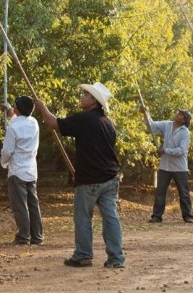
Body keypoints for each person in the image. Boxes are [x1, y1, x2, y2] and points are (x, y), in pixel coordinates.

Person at [34, 82, 125, 269]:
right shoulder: (108, 123)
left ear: (93, 101)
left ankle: (83, 255)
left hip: (90, 179)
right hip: (110, 178)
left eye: (85, 94)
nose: (82, 97)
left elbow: (53, 123)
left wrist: (41, 106)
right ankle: (116, 258)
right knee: (111, 218)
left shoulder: (84, 119)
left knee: (83, 217)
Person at [0, 96, 44, 245]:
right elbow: (20, 121)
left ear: (18, 109)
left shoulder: (13, 128)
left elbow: (7, 151)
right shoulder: (34, 123)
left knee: (20, 205)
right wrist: (10, 112)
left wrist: (3, 163)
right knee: (33, 204)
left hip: (17, 170)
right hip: (31, 170)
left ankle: (23, 237)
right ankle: (37, 236)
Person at [141, 107, 193, 224]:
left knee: (183, 192)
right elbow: (152, 126)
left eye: (181, 115)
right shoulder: (167, 125)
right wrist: (146, 114)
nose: (177, 114)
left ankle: (188, 216)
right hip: (165, 166)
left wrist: (165, 150)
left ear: (184, 120)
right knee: (160, 191)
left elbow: (182, 150)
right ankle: (156, 216)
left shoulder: (185, 132)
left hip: (179, 167)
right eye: (178, 112)